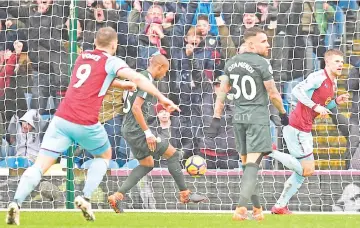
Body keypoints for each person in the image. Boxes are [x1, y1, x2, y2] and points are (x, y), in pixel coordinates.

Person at [5, 27, 179, 225]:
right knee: (105, 155)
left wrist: (121, 85)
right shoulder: (111, 60)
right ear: (114, 45)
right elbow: (138, 78)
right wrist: (163, 98)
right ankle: (86, 198)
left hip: (61, 119)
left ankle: (16, 203)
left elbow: (92, 79)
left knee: (40, 166)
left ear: (95, 43)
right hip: (85, 122)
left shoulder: (84, 56)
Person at [204, 27, 291, 221]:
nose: (268, 44)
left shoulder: (231, 63)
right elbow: (273, 93)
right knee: (252, 165)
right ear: (251, 44)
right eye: (264, 41)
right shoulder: (262, 63)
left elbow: (222, 93)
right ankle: (241, 208)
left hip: (239, 119)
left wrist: (216, 118)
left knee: (247, 166)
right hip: (257, 119)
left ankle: (258, 209)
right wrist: (284, 113)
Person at [107, 54, 206, 213]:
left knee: (147, 164)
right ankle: (185, 194)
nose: (165, 75)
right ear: (159, 67)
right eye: (165, 71)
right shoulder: (146, 79)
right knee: (173, 155)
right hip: (137, 129)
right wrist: (148, 133)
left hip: (128, 128)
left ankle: (117, 196)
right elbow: (136, 107)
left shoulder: (139, 76)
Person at [271, 49, 349, 214]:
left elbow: (323, 107)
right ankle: (268, 151)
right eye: (336, 61)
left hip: (304, 128)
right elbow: (296, 91)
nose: (340, 64)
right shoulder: (318, 77)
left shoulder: (332, 83)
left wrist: (335, 101)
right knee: (306, 170)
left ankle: (279, 206)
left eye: (342, 61)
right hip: (297, 126)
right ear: (327, 62)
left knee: (302, 173)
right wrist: (315, 106)